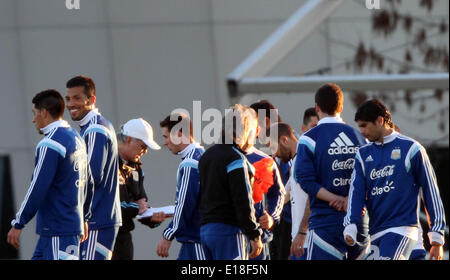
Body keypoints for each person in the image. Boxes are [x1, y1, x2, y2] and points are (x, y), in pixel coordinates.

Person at [344, 99, 446, 260]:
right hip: (377, 234)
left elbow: (430, 192)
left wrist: (437, 238)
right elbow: (356, 193)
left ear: (380, 121)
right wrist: (350, 224)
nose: (361, 132)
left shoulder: (412, 149)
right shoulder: (363, 155)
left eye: (364, 125)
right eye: (359, 126)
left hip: (403, 230)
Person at [7, 89, 89, 260]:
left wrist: (18, 222)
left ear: (43, 113)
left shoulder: (49, 144)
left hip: (58, 230)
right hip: (60, 229)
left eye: (34, 113)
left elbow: (37, 187)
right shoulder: (76, 138)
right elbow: (88, 183)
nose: (33, 119)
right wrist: (84, 218)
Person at [294, 83, 369, 260]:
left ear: (317, 108)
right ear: (341, 107)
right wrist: (350, 201)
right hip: (359, 222)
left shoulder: (308, 139)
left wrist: (336, 198)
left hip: (324, 225)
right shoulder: (360, 136)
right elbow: (371, 178)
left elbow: (306, 181)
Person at [65, 75, 122, 260]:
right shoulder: (92, 127)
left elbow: (92, 176)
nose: (70, 104)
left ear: (92, 100)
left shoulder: (95, 129)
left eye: (77, 98)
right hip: (97, 218)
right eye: (68, 98)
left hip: (97, 219)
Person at [199, 104, 263, 260]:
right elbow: (242, 199)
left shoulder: (206, 156)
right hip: (228, 231)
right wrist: (254, 234)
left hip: (206, 231)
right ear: (244, 130)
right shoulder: (237, 159)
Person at [112, 118, 166, 260]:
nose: (145, 152)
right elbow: (107, 204)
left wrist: (152, 217)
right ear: (129, 139)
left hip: (124, 237)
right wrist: (138, 209)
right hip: (103, 234)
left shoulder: (136, 167)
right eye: (143, 146)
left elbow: (141, 203)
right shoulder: (106, 160)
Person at [156, 113, 206, 260]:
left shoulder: (190, 163)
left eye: (166, 137)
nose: (164, 143)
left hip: (196, 241)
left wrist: (168, 235)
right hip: (198, 238)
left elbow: (185, 205)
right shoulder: (201, 155)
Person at [249, 100, 292, 260]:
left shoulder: (291, 146)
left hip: (290, 222)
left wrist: (273, 213)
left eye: (253, 125)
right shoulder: (268, 151)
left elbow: (291, 186)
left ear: (265, 122)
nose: (253, 131)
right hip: (276, 223)